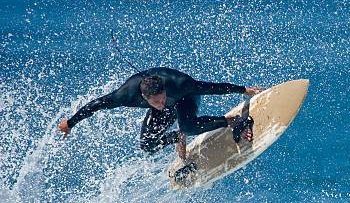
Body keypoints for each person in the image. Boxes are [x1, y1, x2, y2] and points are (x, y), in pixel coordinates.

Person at [58, 67, 262, 160]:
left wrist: (243, 89)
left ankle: (232, 122)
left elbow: (209, 87)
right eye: (156, 101)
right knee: (148, 145)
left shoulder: (179, 84)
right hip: (164, 106)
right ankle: (177, 138)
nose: (161, 103)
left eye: (162, 98)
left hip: (184, 98)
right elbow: (97, 105)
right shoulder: (125, 95)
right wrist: (71, 122)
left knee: (188, 125)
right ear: (145, 98)